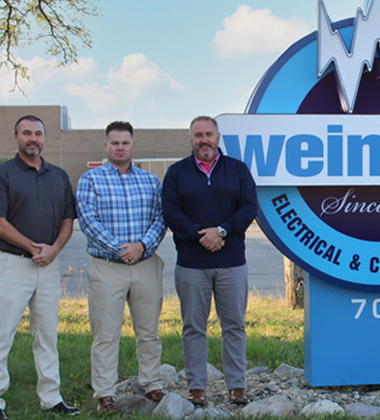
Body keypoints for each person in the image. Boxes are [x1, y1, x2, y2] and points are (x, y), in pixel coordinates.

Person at [162, 115, 257, 407]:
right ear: (190, 139)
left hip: (232, 262)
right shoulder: (177, 173)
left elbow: (249, 206)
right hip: (191, 263)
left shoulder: (238, 170)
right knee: (193, 327)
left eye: (209, 134)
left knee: (234, 326)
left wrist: (223, 230)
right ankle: (196, 387)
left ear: (218, 138)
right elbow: (171, 211)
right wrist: (200, 235)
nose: (204, 140)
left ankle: (237, 386)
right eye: (198, 135)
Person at [76, 121, 168, 414]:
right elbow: (89, 222)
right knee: (106, 332)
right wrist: (121, 249)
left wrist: (141, 246)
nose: (119, 147)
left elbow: (161, 218)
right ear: (105, 146)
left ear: (133, 146)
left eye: (124, 143)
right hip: (107, 267)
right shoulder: (90, 180)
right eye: (114, 143)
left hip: (145, 264)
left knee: (149, 330)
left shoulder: (150, 181)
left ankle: (152, 383)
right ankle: (104, 392)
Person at [0, 115, 80, 418]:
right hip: (12, 263)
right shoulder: (4, 173)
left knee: (47, 335)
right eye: (26, 133)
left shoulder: (58, 176)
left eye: (38, 133)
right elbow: (0, 222)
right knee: (2, 333)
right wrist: (33, 247)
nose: (33, 138)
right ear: (16, 136)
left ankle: (51, 397)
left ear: (44, 138)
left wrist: (54, 250)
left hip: (48, 265)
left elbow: (67, 220)